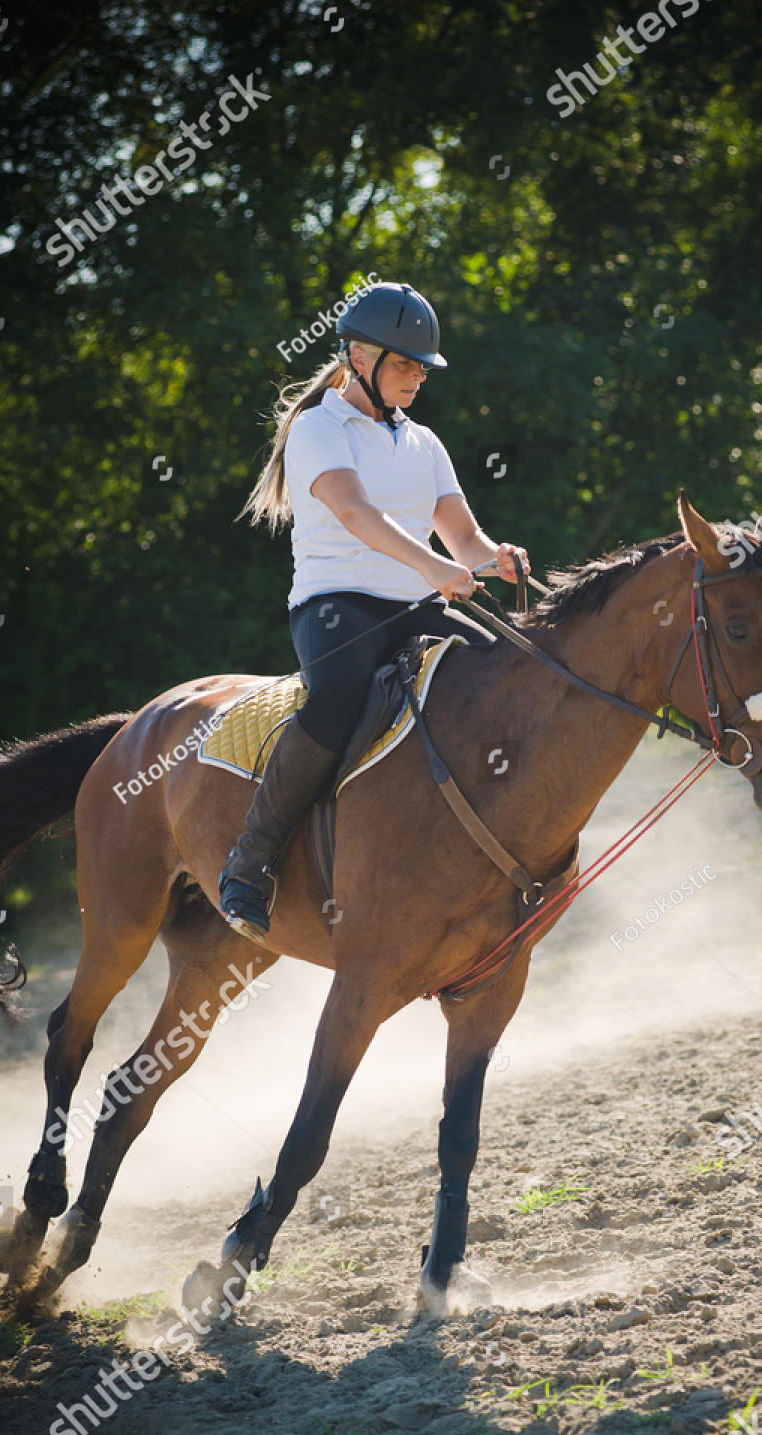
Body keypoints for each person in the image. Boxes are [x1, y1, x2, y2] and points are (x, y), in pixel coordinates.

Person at [218, 280, 531, 941]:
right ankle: (250, 862)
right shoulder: (317, 428)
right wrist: (433, 566)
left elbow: (463, 541)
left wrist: (492, 557)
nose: (418, 378)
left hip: (415, 604)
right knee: (336, 697)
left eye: (423, 367)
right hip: (337, 607)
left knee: (499, 670)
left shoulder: (425, 444)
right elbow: (356, 513)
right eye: (406, 364)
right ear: (359, 356)